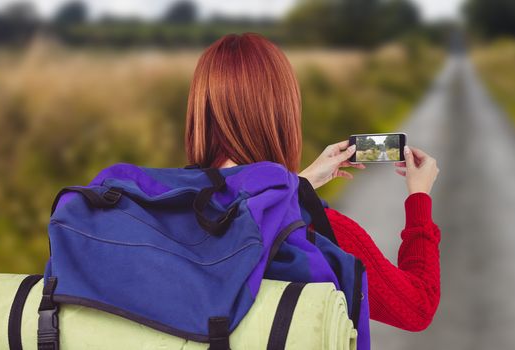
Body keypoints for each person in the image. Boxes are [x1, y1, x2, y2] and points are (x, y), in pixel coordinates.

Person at [185, 33, 440, 332]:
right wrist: (419, 198)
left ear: (199, 113)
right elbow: (417, 307)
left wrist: (297, 186)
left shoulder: (167, 215)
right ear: (282, 117)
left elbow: (239, 209)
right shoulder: (322, 233)